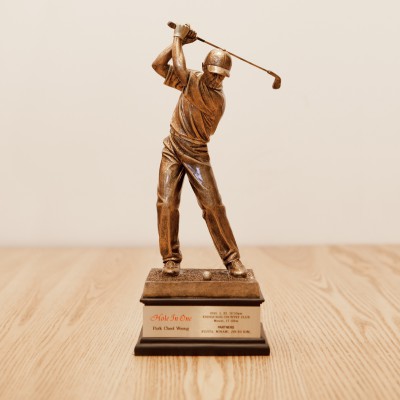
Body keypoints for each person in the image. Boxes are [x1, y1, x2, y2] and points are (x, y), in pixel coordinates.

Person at [152, 23, 247, 278]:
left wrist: (178, 37)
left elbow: (179, 69)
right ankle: (170, 258)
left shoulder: (215, 99)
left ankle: (232, 259)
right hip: (173, 146)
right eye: (213, 73)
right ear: (204, 67)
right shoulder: (192, 80)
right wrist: (178, 44)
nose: (217, 79)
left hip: (196, 153)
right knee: (166, 203)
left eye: (222, 76)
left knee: (212, 206)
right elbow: (158, 65)